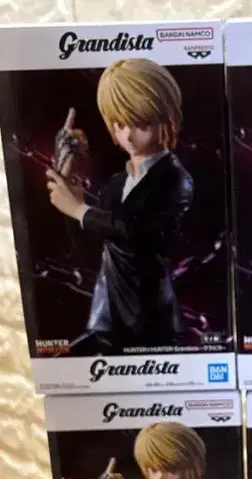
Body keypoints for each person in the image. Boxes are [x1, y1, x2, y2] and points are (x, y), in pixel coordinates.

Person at [46, 58, 193, 347]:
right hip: (107, 316)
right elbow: (91, 245)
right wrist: (72, 185)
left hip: (150, 319)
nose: (127, 134)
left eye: (139, 122)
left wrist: (78, 209)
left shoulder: (175, 179)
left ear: (164, 115)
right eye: (119, 123)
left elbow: (136, 232)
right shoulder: (116, 183)